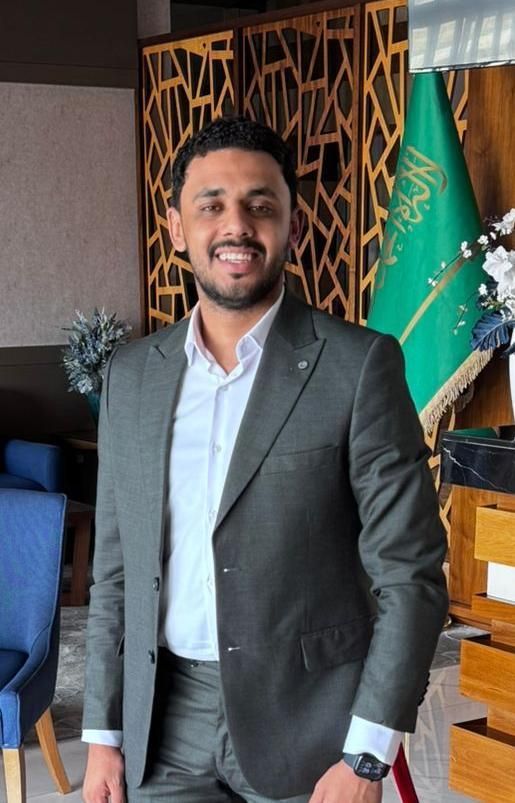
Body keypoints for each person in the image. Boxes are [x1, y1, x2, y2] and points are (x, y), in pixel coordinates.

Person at [82, 117, 448, 803]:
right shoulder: (131, 376)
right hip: (164, 725)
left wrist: (367, 755)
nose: (236, 226)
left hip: (313, 726)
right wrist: (104, 734)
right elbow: (114, 571)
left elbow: (410, 573)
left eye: (260, 204)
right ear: (176, 227)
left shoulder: (358, 366)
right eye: (211, 204)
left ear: (293, 226)